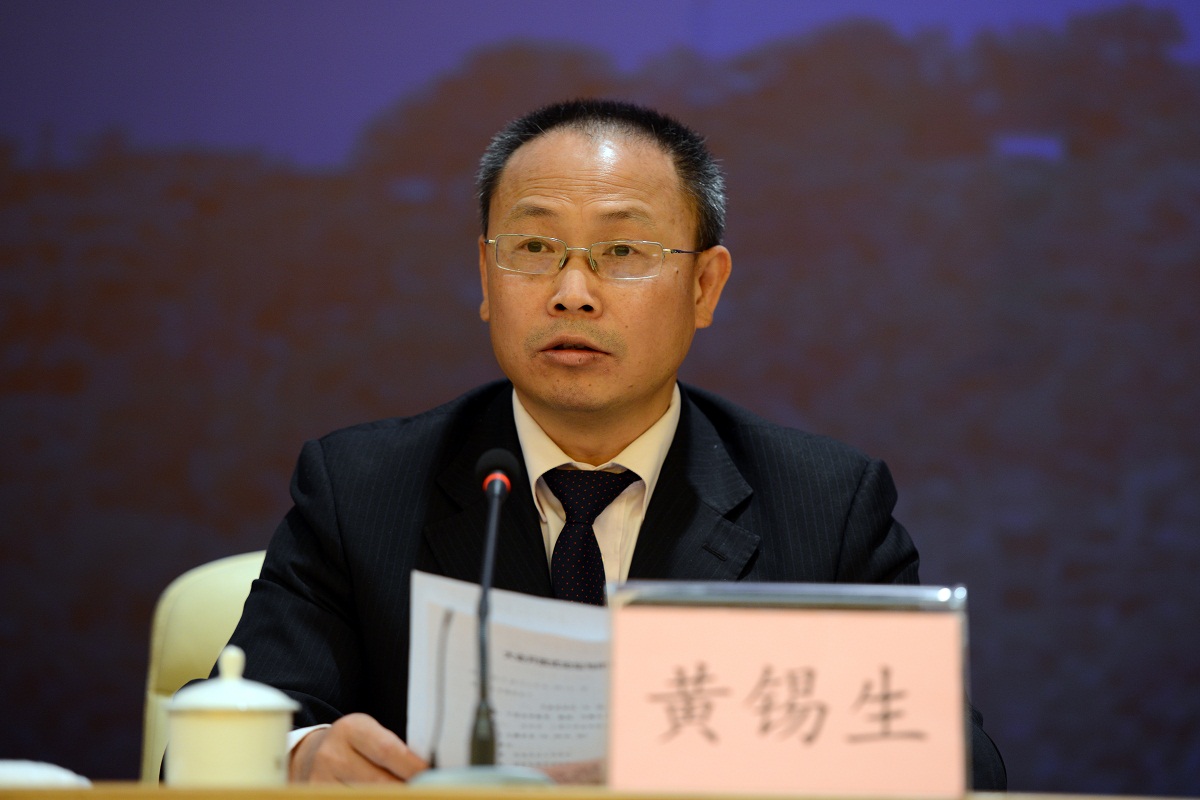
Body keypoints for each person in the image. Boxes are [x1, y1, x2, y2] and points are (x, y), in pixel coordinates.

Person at [226, 99, 1006, 788]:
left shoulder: (825, 505)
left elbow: (963, 769)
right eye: (534, 249)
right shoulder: (362, 488)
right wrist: (303, 756)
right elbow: (218, 737)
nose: (573, 292)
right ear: (486, 276)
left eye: (623, 253)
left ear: (704, 287)